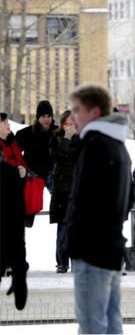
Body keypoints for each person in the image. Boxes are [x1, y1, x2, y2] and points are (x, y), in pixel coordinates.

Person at [63, 84, 135, 333]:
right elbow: (128, 199)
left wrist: (72, 241)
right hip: (111, 248)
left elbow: (82, 201)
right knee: (111, 322)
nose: (72, 116)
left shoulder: (95, 145)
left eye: (76, 110)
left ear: (94, 112)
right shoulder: (118, 146)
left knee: (93, 326)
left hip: (92, 251)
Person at [0, 112, 29, 310]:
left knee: (17, 241)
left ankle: (17, 275)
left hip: (15, 200)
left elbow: (22, 163)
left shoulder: (13, 142)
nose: (7, 124)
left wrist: (23, 171)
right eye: (3, 121)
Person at [16, 100, 56, 227]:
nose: (46, 119)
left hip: (51, 171)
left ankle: (64, 215)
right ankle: (27, 216)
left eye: (48, 116)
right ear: (38, 117)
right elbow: (14, 152)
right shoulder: (26, 133)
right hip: (33, 171)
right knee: (31, 197)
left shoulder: (57, 132)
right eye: (43, 116)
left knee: (61, 191)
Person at [49, 110, 79, 274]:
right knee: (62, 228)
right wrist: (67, 139)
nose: (68, 127)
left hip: (76, 190)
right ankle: (62, 261)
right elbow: (58, 157)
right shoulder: (56, 139)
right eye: (66, 124)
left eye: (71, 124)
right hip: (61, 190)